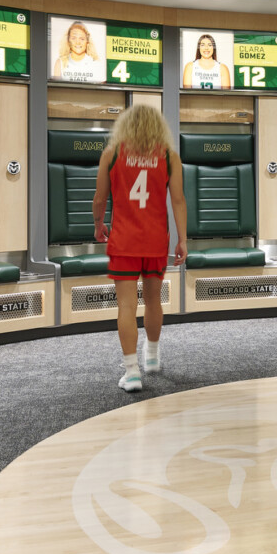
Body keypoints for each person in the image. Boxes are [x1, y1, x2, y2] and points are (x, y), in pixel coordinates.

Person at [94, 103, 187, 393]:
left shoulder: (112, 154)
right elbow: (179, 200)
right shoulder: (170, 157)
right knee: (154, 301)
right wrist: (183, 239)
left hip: (124, 241)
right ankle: (154, 358)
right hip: (156, 240)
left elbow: (99, 199)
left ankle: (132, 373)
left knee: (126, 306)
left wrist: (98, 224)